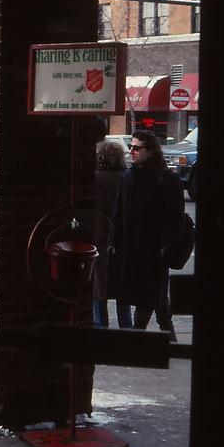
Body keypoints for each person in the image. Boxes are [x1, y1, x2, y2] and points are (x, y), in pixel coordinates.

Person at [108, 129, 185, 338]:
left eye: (136, 147)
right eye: (130, 147)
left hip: (153, 248)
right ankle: (166, 331)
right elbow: (119, 209)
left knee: (148, 293)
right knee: (153, 294)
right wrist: (114, 240)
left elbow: (175, 217)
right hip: (131, 248)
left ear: (150, 152)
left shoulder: (167, 179)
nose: (131, 151)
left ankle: (137, 335)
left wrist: (167, 245)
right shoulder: (128, 176)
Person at [93, 139, 129, 327]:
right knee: (123, 294)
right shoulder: (127, 178)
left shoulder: (94, 179)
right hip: (121, 242)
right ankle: (128, 333)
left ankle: (101, 329)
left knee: (99, 292)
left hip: (98, 239)